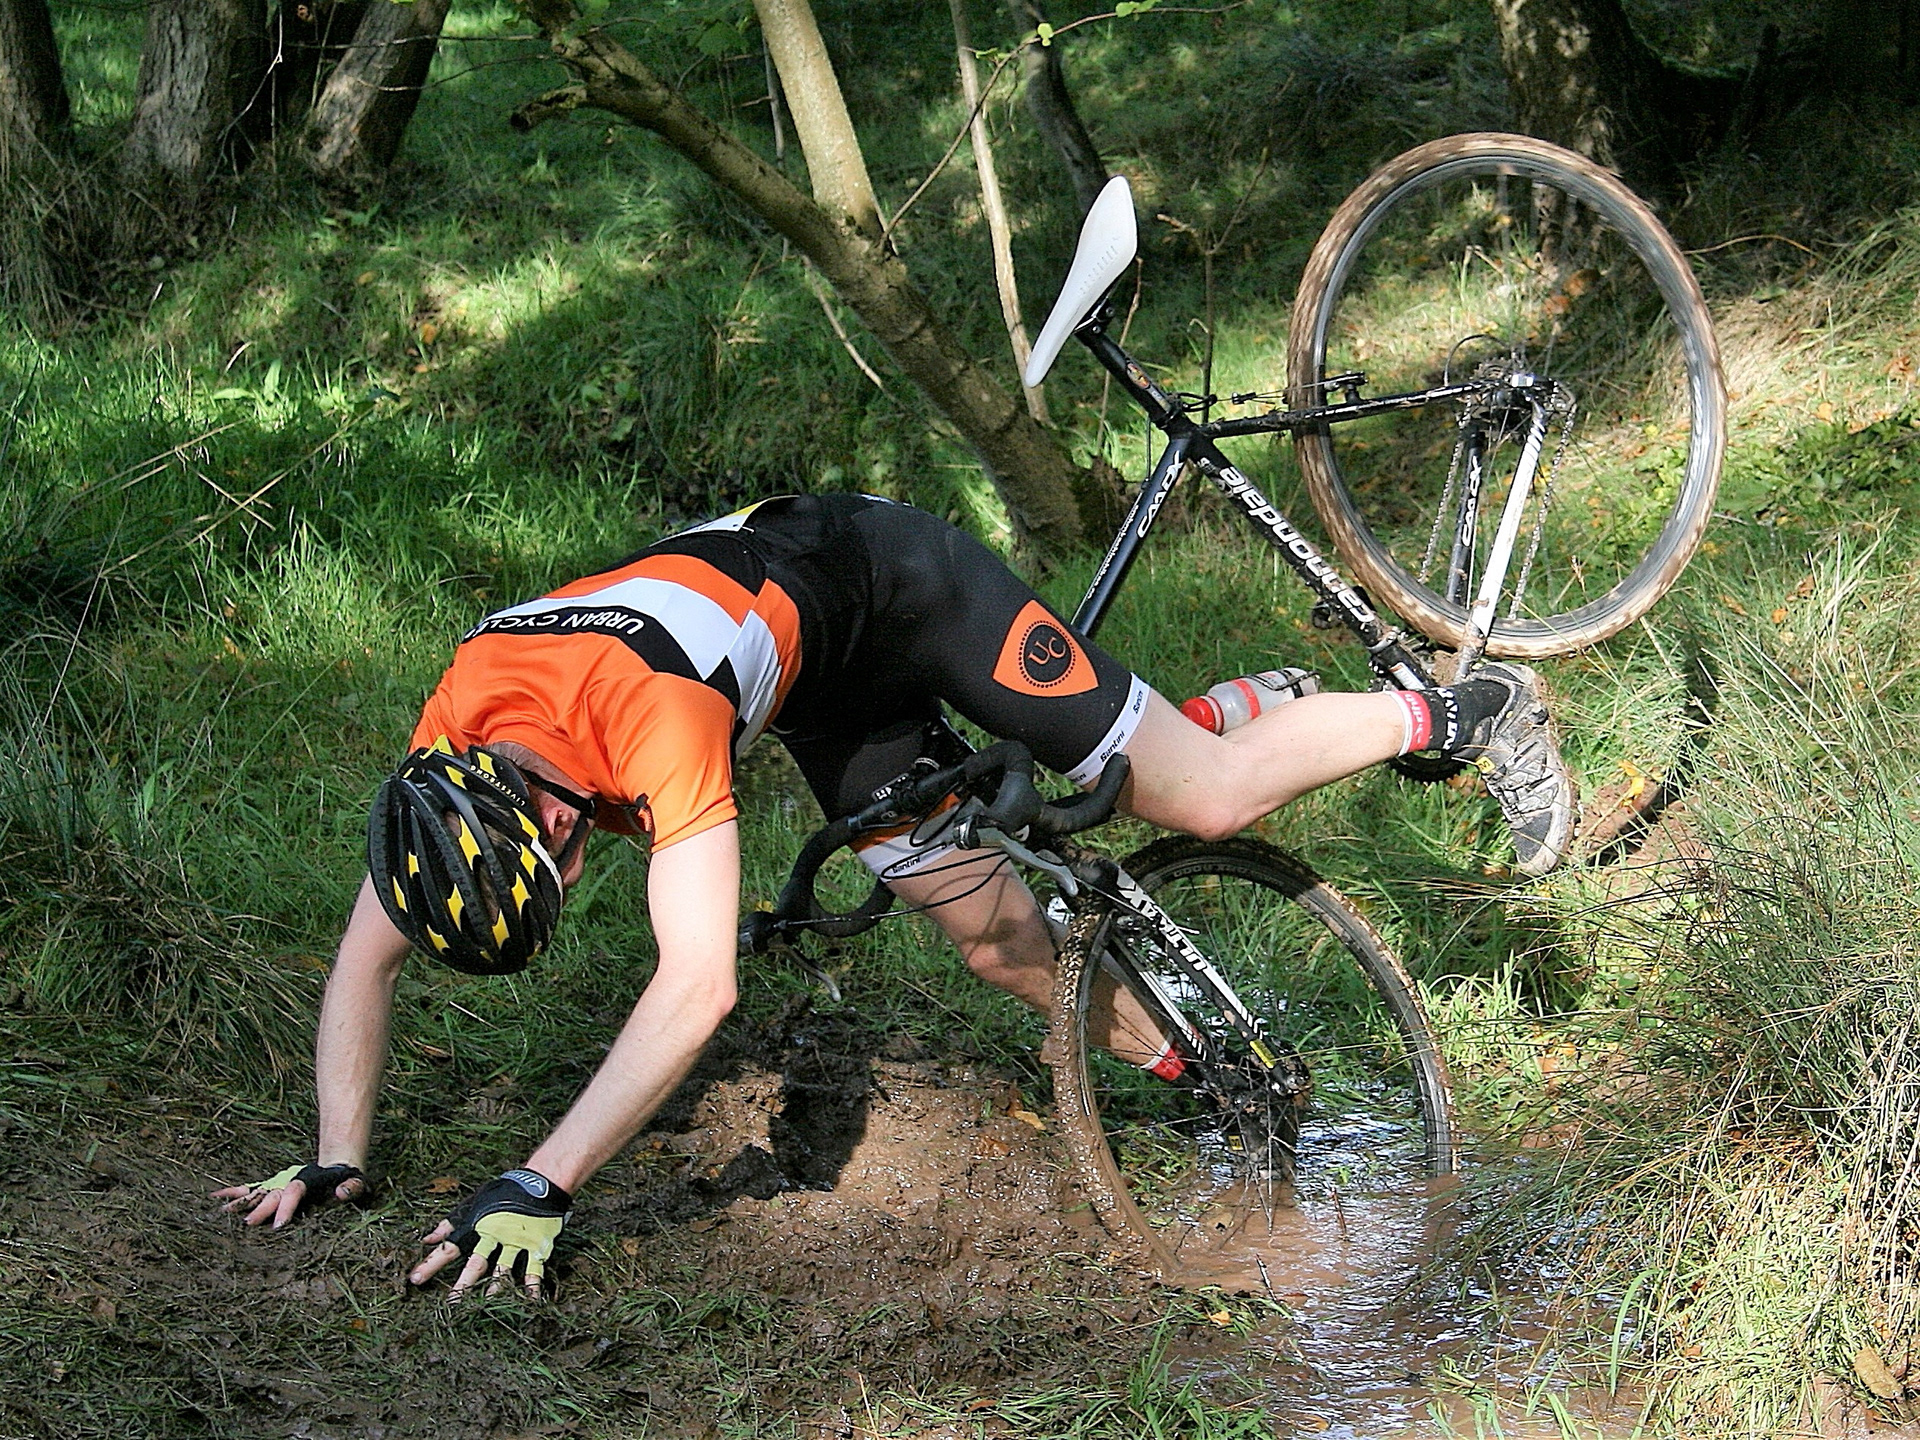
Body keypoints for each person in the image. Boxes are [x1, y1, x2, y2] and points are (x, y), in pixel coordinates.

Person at [213, 493, 1571, 1296]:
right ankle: (1201, 1076)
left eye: (565, 875)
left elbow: (698, 986)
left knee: (1203, 798)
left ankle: (1462, 710)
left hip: (903, 583)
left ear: (556, 820)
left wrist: (541, 1178)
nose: (577, 881)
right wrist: (337, 1159)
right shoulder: (455, 750)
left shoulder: (656, 730)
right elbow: (364, 957)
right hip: (818, 679)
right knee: (991, 936)